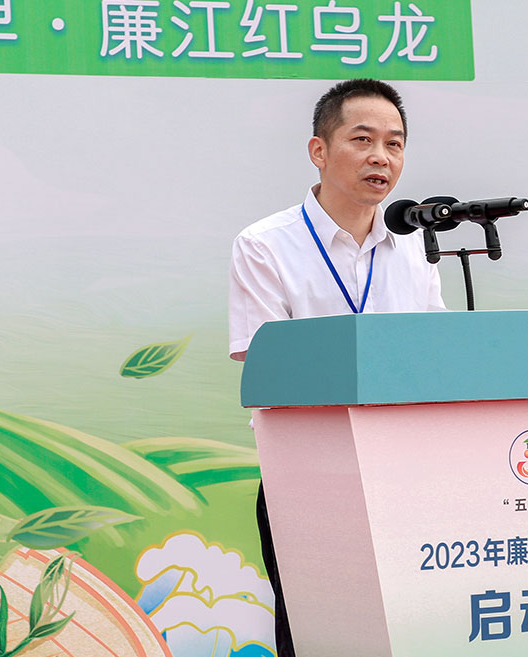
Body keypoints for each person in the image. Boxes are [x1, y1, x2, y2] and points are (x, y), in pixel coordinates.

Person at [228, 79, 445, 657]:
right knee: (315, 633)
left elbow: (437, 355)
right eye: (363, 139)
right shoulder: (265, 244)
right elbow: (266, 362)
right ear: (318, 151)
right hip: (308, 475)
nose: (382, 157)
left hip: (406, 472)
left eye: (395, 144)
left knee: (409, 628)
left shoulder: (417, 248)